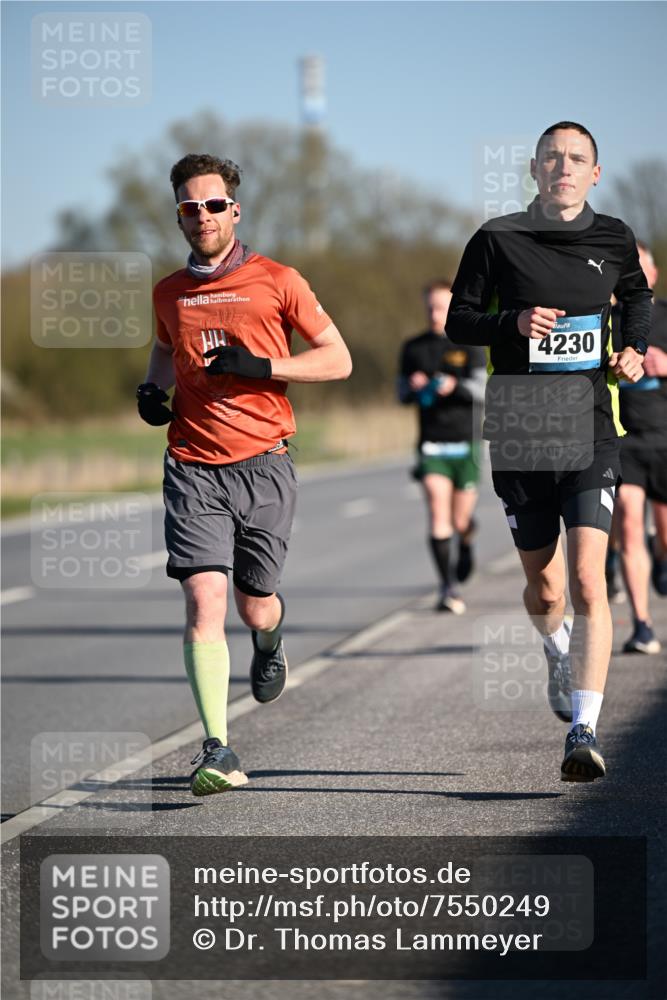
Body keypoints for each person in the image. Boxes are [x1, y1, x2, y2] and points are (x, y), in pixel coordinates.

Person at [137, 154, 352, 796]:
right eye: (189, 207)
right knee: (203, 599)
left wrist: (264, 367)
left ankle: (270, 638)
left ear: (235, 210)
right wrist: (152, 389)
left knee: (254, 605)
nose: (201, 216)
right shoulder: (168, 291)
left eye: (212, 205)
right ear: (179, 215)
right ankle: (218, 747)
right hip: (192, 464)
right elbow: (163, 347)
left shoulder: (279, 280)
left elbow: (337, 359)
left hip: (264, 462)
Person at [446, 122, 652, 782]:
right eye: (551, 158)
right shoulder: (496, 238)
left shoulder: (614, 237)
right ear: (534, 169)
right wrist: (510, 322)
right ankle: (555, 647)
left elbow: (637, 296)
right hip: (519, 432)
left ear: (594, 173)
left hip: (590, 432)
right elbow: (457, 319)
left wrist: (632, 347)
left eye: (576, 158)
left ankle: (583, 730)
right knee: (546, 586)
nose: (563, 167)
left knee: (590, 579)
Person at [398, 280, 486, 613]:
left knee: (460, 521)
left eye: (441, 307)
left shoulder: (470, 342)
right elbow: (400, 394)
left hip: (466, 444)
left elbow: (484, 391)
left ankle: (466, 542)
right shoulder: (413, 348)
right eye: (430, 307)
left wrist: (454, 385)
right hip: (431, 444)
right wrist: (412, 387)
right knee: (438, 514)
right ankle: (448, 587)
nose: (435, 313)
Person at [609, 241, 667, 653]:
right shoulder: (606, 321)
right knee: (629, 522)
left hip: (665, 439)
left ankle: (661, 556)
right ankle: (642, 625)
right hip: (623, 440)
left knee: (664, 533)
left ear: (655, 273)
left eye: (641, 268)